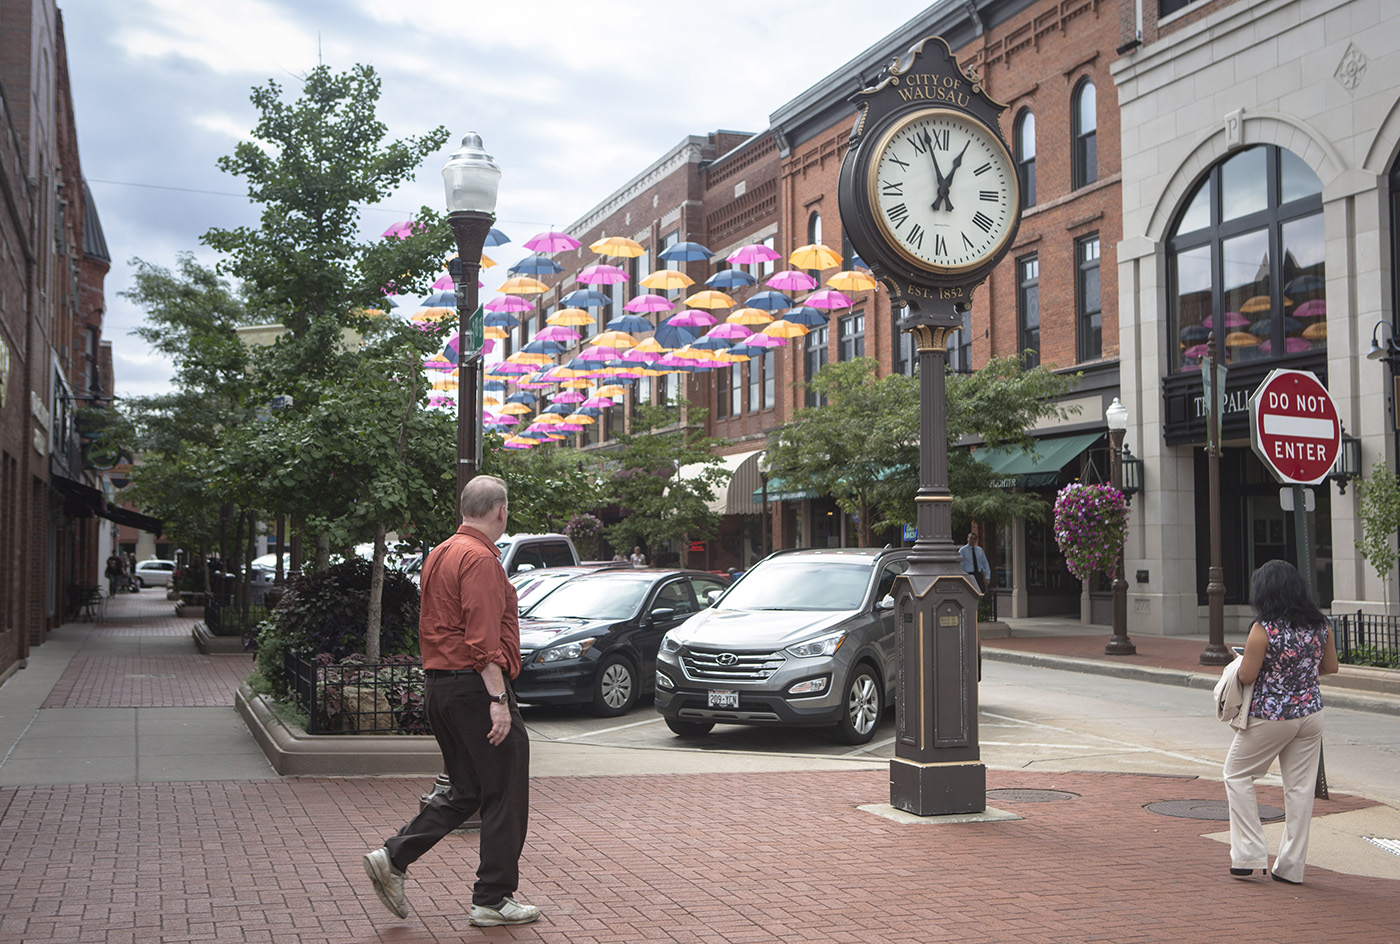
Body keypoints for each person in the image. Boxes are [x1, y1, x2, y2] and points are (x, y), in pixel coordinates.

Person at [362, 475, 539, 927]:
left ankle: (393, 856)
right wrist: (498, 699)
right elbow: (482, 641)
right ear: (499, 510)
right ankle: (493, 900)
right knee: (505, 793)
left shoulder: (440, 553)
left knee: (467, 791)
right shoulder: (479, 559)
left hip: (442, 687)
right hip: (475, 689)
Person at [1223, 559, 1338, 885]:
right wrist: (1298, 673)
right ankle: (1290, 867)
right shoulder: (1320, 626)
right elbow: (1331, 667)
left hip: (1272, 716)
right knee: (1300, 790)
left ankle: (1248, 854)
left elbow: (1247, 675)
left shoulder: (1263, 629)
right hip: (1311, 714)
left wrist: (1241, 658)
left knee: (1237, 773)